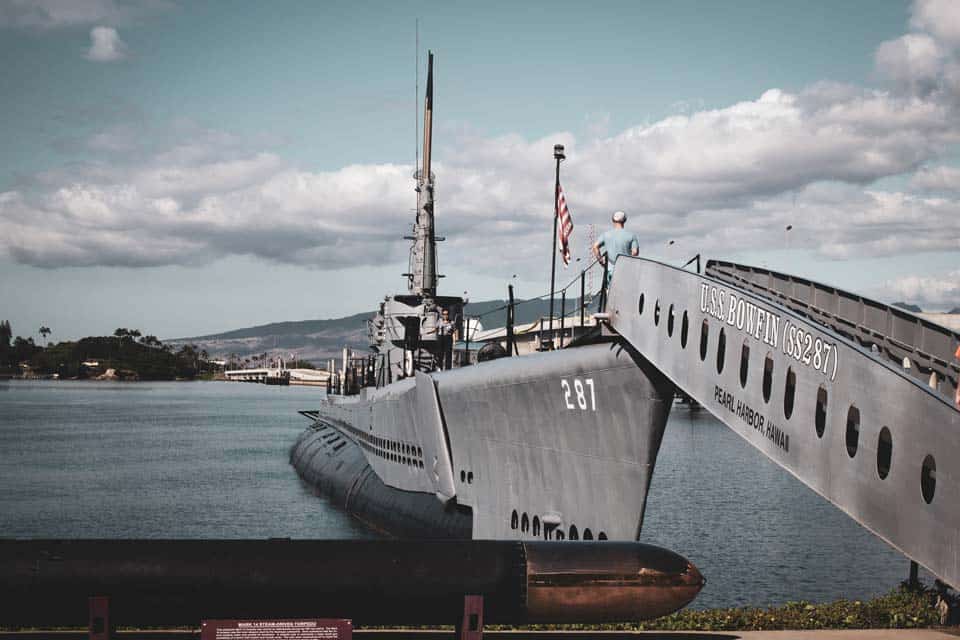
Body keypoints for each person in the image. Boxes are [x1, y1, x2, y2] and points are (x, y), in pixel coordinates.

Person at [592, 210, 639, 281]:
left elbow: (595, 246)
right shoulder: (631, 236)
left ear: (613, 220)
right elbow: (635, 252)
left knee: (610, 289)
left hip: (610, 270)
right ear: (624, 221)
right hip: (626, 270)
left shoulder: (606, 235)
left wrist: (601, 261)